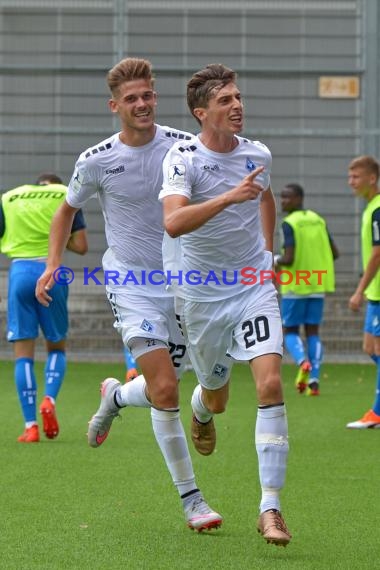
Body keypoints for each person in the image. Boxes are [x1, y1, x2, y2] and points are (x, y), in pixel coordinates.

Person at [35, 57, 222, 532]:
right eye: (132, 98)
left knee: (173, 384)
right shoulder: (96, 159)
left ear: (155, 97)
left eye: (148, 95)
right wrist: (54, 264)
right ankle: (192, 500)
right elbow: (65, 211)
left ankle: (115, 398)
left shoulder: (186, 146)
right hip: (130, 283)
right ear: (114, 105)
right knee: (165, 390)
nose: (142, 104)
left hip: (185, 282)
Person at [159, 63, 291, 546]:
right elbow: (173, 223)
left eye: (238, 97)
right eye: (225, 101)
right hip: (201, 294)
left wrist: (268, 252)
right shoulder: (182, 157)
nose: (237, 105)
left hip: (252, 285)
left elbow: (265, 198)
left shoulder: (258, 153)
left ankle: (270, 507)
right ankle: (202, 407)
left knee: (271, 380)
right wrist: (230, 197)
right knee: (217, 393)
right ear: (202, 112)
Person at [0, 173, 88, 442]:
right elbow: (82, 246)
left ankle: (30, 427)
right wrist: (58, 237)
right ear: (56, 182)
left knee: (23, 351)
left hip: (20, 272)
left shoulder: (9, 197)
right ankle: (49, 399)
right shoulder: (66, 192)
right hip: (52, 272)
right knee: (56, 345)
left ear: (35, 184)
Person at [274, 183, 339, 396]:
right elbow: (335, 252)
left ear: (300, 198)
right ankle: (314, 379)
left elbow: (289, 259)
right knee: (313, 332)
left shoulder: (288, 223)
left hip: (295, 286)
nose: (283, 201)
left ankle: (303, 362)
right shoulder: (318, 220)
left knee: (290, 331)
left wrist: (275, 260)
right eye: (282, 197)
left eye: (288, 197)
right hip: (318, 285)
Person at [346, 155, 380, 429]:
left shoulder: (378, 208)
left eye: (356, 177)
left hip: (377, 292)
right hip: (375, 292)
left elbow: (378, 254)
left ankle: (377, 413)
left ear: (372, 178)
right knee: (370, 348)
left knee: (377, 348)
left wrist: (358, 291)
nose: (351, 182)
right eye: (350, 177)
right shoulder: (370, 208)